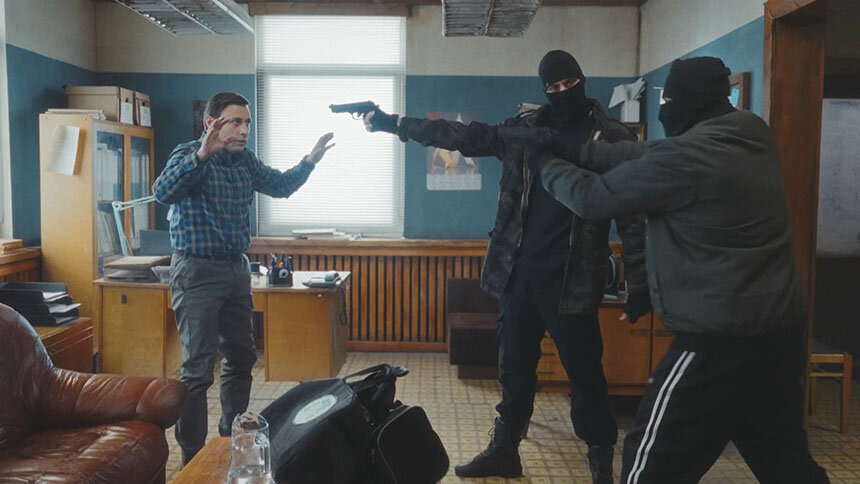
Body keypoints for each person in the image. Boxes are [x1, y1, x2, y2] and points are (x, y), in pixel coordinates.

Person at [532, 56, 829, 484]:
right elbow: (647, 152)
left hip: (716, 342)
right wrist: (576, 149)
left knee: (651, 464)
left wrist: (542, 161)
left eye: (668, 101)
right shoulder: (750, 133)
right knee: (786, 464)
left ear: (687, 103)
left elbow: (591, 199)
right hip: (779, 333)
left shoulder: (686, 157)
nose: (664, 110)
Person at [361, 50, 648, 482]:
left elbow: (633, 215)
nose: (562, 92)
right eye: (553, 87)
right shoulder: (523, 131)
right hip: (518, 273)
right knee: (513, 368)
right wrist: (395, 123)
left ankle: (601, 456)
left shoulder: (612, 137)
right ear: (544, 89)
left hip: (573, 279)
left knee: (585, 372)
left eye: (569, 84)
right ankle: (504, 451)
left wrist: (640, 281)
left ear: (582, 80)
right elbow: (459, 135)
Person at [153, 91, 335, 464]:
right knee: (198, 370)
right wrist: (202, 155)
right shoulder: (188, 154)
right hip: (196, 270)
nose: (243, 130)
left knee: (240, 357)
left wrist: (310, 161)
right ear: (211, 123)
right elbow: (162, 192)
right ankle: (192, 458)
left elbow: (281, 186)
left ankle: (229, 444)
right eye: (235, 121)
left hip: (236, 269)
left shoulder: (245, 161)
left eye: (247, 123)